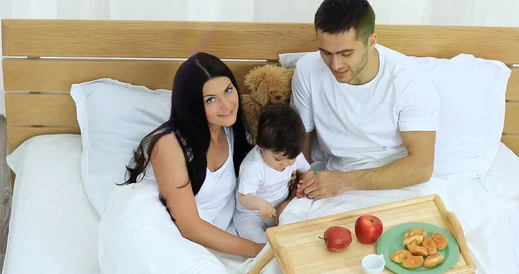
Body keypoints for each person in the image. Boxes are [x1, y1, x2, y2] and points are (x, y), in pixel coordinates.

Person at [293, 0, 441, 200]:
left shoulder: (410, 80)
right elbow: (303, 138)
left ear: (371, 41)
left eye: (346, 53)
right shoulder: (307, 70)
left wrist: (345, 181)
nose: (335, 65)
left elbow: (421, 167)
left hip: (397, 181)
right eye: (326, 53)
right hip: (332, 181)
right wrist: (297, 184)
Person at [122, 52, 266, 259]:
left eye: (228, 90)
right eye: (210, 100)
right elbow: (189, 227)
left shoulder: (230, 129)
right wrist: (257, 251)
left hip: (213, 234)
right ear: (192, 105)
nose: (226, 104)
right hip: (169, 233)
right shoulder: (170, 146)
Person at [233, 103, 315, 243]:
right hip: (251, 213)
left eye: (291, 159)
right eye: (278, 159)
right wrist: (260, 204)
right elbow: (244, 197)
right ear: (261, 146)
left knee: (301, 225)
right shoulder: (253, 166)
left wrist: (304, 185)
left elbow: (307, 171)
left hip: (282, 205)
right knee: (257, 239)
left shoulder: (291, 154)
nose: (285, 164)